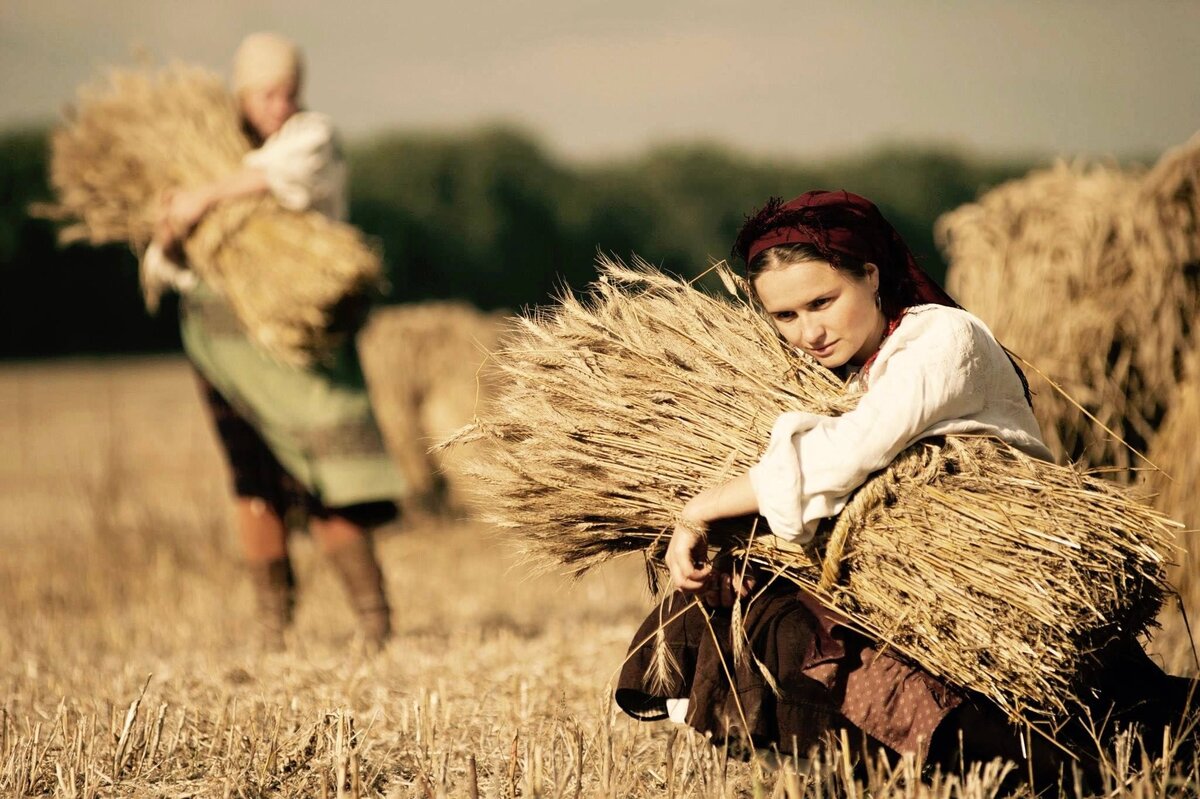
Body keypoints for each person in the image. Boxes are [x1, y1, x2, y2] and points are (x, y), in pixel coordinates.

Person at [615, 190, 1192, 785]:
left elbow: (850, 451)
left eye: (823, 301)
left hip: (989, 573)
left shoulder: (942, 339)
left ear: (870, 274)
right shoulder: (832, 369)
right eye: (785, 317)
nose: (809, 332)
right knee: (748, 609)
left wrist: (702, 509)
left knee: (1100, 745)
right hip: (909, 586)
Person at [143, 32, 404, 651]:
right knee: (253, 482)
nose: (280, 105)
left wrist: (202, 198)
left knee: (326, 476)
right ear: (241, 94)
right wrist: (173, 231)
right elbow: (162, 267)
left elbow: (279, 175)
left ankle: (375, 625)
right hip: (224, 350)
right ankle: (272, 631)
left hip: (298, 345)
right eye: (267, 94)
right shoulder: (206, 154)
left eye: (289, 91)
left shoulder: (310, 137)